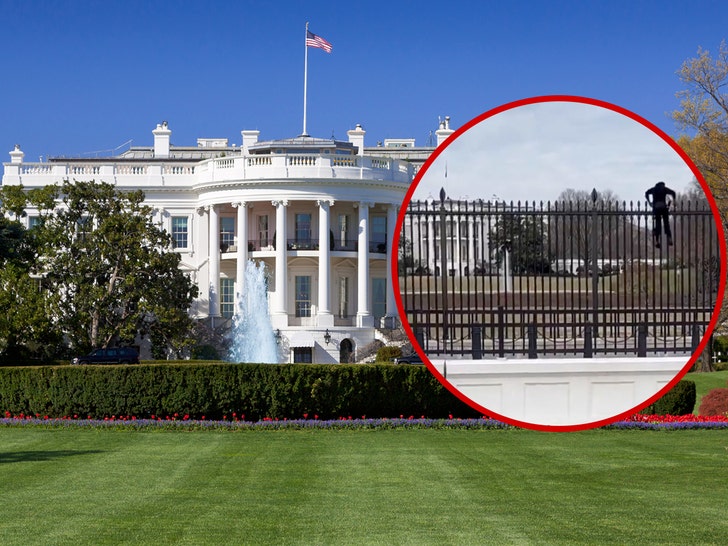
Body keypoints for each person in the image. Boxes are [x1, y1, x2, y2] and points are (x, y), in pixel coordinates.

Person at [645, 181, 676, 249]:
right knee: (666, 223)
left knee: (658, 224)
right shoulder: (664, 189)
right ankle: (669, 238)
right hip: (664, 208)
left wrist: (649, 202)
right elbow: (673, 193)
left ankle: (657, 241)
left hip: (656, 208)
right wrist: (674, 201)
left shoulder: (653, 189)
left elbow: (646, 193)